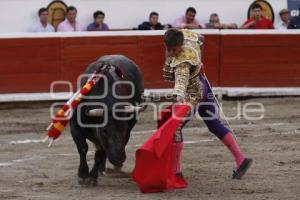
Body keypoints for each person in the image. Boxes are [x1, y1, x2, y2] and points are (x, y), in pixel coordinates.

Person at [162, 28, 253, 179]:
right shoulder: (188, 35)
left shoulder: (182, 62)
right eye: (168, 48)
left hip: (192, 92)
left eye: (173, 49)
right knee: (214, 124)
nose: (171, 52)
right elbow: (201, 38)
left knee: (175, 128)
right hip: (204, 84)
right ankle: (241, 159)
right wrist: (199, 61)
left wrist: (178, 95)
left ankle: (176, 172)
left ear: (179, 44)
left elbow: (181, 81)